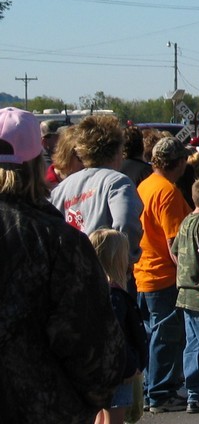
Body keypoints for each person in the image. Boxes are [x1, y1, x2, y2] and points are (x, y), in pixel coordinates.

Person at [0, 107, 126, 423]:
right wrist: (92, 398)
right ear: (36, 164)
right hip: (42, 406)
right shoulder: (59, 241)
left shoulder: (59, 238)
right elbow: (91, 343)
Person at [135, 136, 193, 413]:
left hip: (143, 271)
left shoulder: (146, 185)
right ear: (179, 162)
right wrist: (190, 276)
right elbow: (175, 243)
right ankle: (159, 393)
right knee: (166, 336)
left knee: (152, 335)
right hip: (162, 274)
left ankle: (151, 389)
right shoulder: (167, 192)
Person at [50, 114, 145, 268]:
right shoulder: (118, 182)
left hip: (69, 272)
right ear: (117, 149)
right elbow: (125, 223)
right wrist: (126, 259)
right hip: (104, 273)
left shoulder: (60, 189)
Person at [89, 228, 149, 424]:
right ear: (116, 259)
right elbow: (116, 335)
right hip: (118, 370)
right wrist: (131, 366)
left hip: (98, 368)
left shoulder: (91, 291)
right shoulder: (114, 296)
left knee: (100, 416)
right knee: (115, 418)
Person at [171, 177, 199, 414]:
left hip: (184, 290)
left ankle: (195, 393)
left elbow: (174, 249)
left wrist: (183, 269)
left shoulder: (186, 220)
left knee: (193, 345)